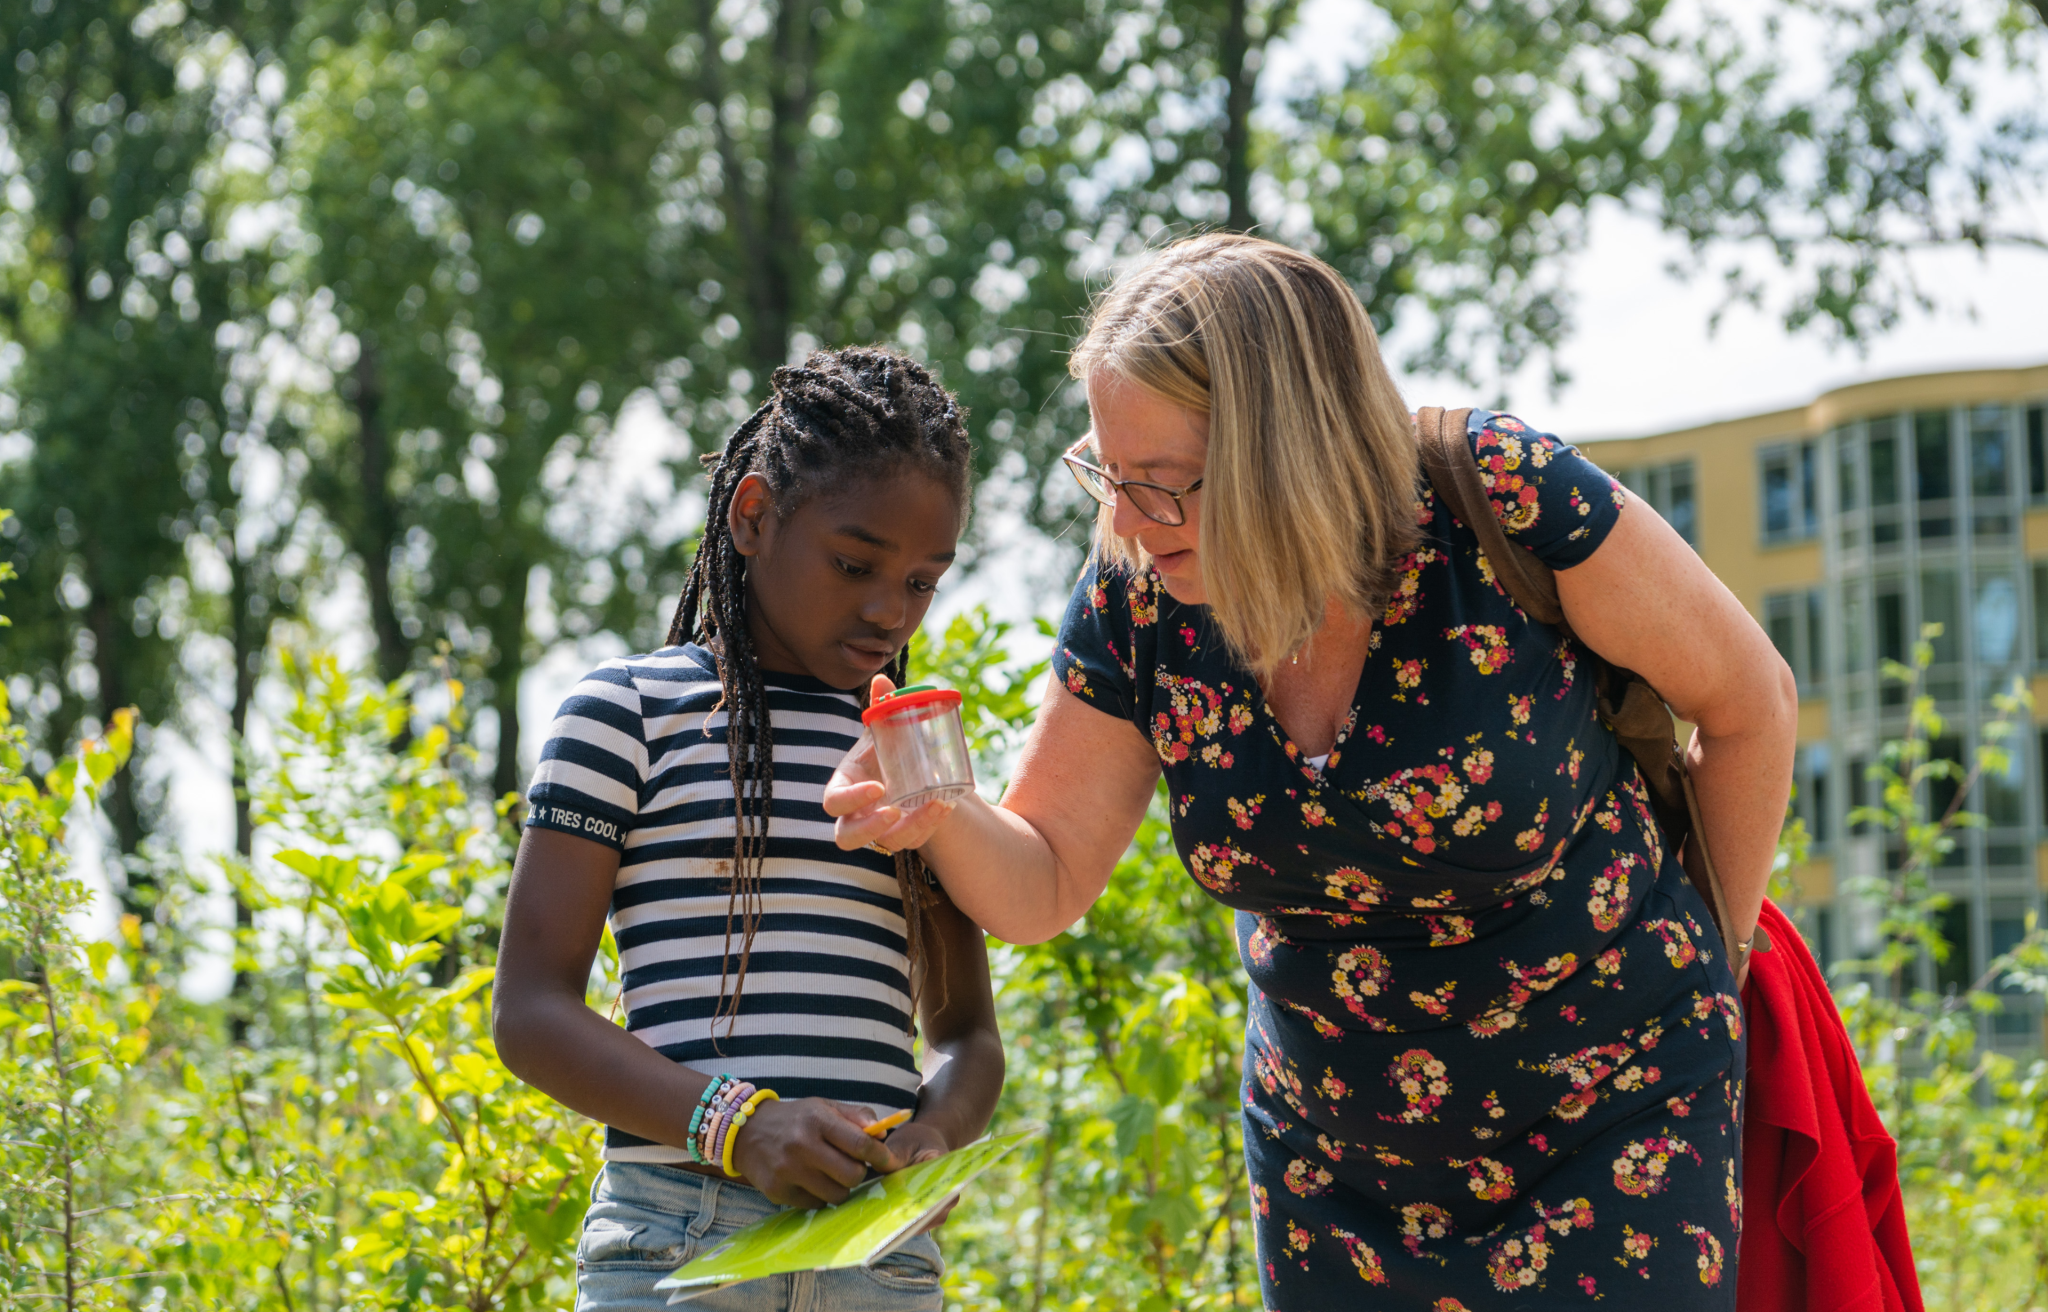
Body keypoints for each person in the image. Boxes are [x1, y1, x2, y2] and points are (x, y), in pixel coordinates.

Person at [826, 235, 1796, 1309]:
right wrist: (935, 808)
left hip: (1611, 1126)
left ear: (1282, 451)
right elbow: (1044, 875)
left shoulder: (1499, 498)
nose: (1133, 525)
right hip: (1331, 1173)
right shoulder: (1140, 598)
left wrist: (1723, 955)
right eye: (1110, 475)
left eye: (1167, 485)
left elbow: (1749, 704)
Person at [494, 348, 1004, 1312]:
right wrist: (738, 1124)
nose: (889, 610)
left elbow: (969, 1035)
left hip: (879, 1263)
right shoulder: (626, 715)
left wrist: (932, 1136)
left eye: (925, 581)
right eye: (856, 564)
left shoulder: (905, 750)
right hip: (675, 1243)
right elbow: (529, 1009)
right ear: (755, 514)